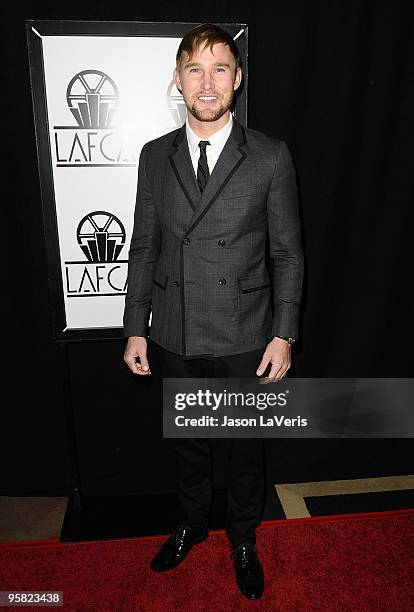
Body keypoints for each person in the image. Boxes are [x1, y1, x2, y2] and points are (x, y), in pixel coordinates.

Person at [123, 23, 304, 600]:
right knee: (189, 444)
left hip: (244, 333)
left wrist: (284, 334)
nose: (207, 82)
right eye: (195, 69)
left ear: (237, 79)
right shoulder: (156, 157)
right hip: (174, 329)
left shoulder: (270, 156)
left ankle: (244, 539)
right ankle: (191, 523)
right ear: (177, 81)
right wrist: (136, 327)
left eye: (219, 68)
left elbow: (287, 253)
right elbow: (144, 245)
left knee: (244, 451)